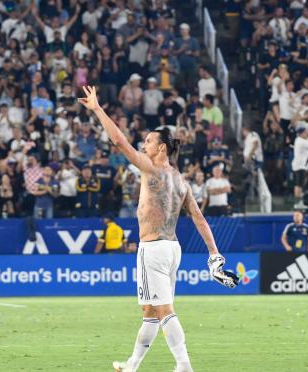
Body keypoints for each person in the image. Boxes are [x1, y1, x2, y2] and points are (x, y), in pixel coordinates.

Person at [79, 86, 236, 372]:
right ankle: (132, 365)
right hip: (172, 249)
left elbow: (118, 141)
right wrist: (214, 253)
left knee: (164, 312)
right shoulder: (180, 180)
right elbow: (199, 218)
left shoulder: (150, 168)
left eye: (149, 141)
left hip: (152, 249)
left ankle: (184, 365)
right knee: (150, 313)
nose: (144, 144)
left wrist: (98, 109)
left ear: (161, 147)